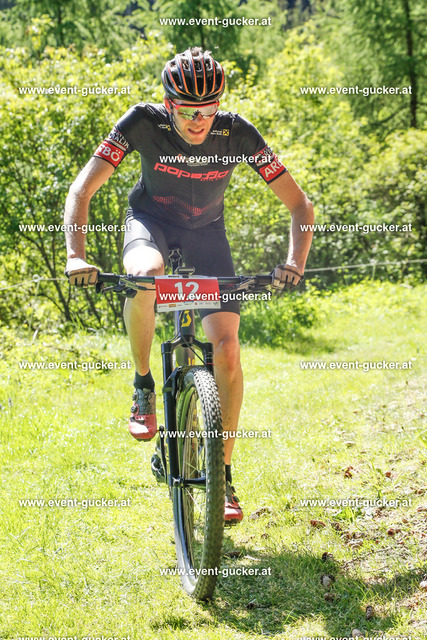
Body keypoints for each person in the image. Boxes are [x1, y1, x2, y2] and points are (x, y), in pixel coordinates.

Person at [64, 46, 314, 525]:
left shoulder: (237, 132)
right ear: (168, 104)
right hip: (150, 225)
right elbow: (82, 189)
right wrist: (76, 255)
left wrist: (293, 263)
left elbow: (300, 205)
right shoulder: (142, 122)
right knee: (145, 275)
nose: (199, 121)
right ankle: (143, 384)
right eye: (187, 111)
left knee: (228, 349)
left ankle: (223, 476)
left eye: (208, 109)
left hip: (207, 236)